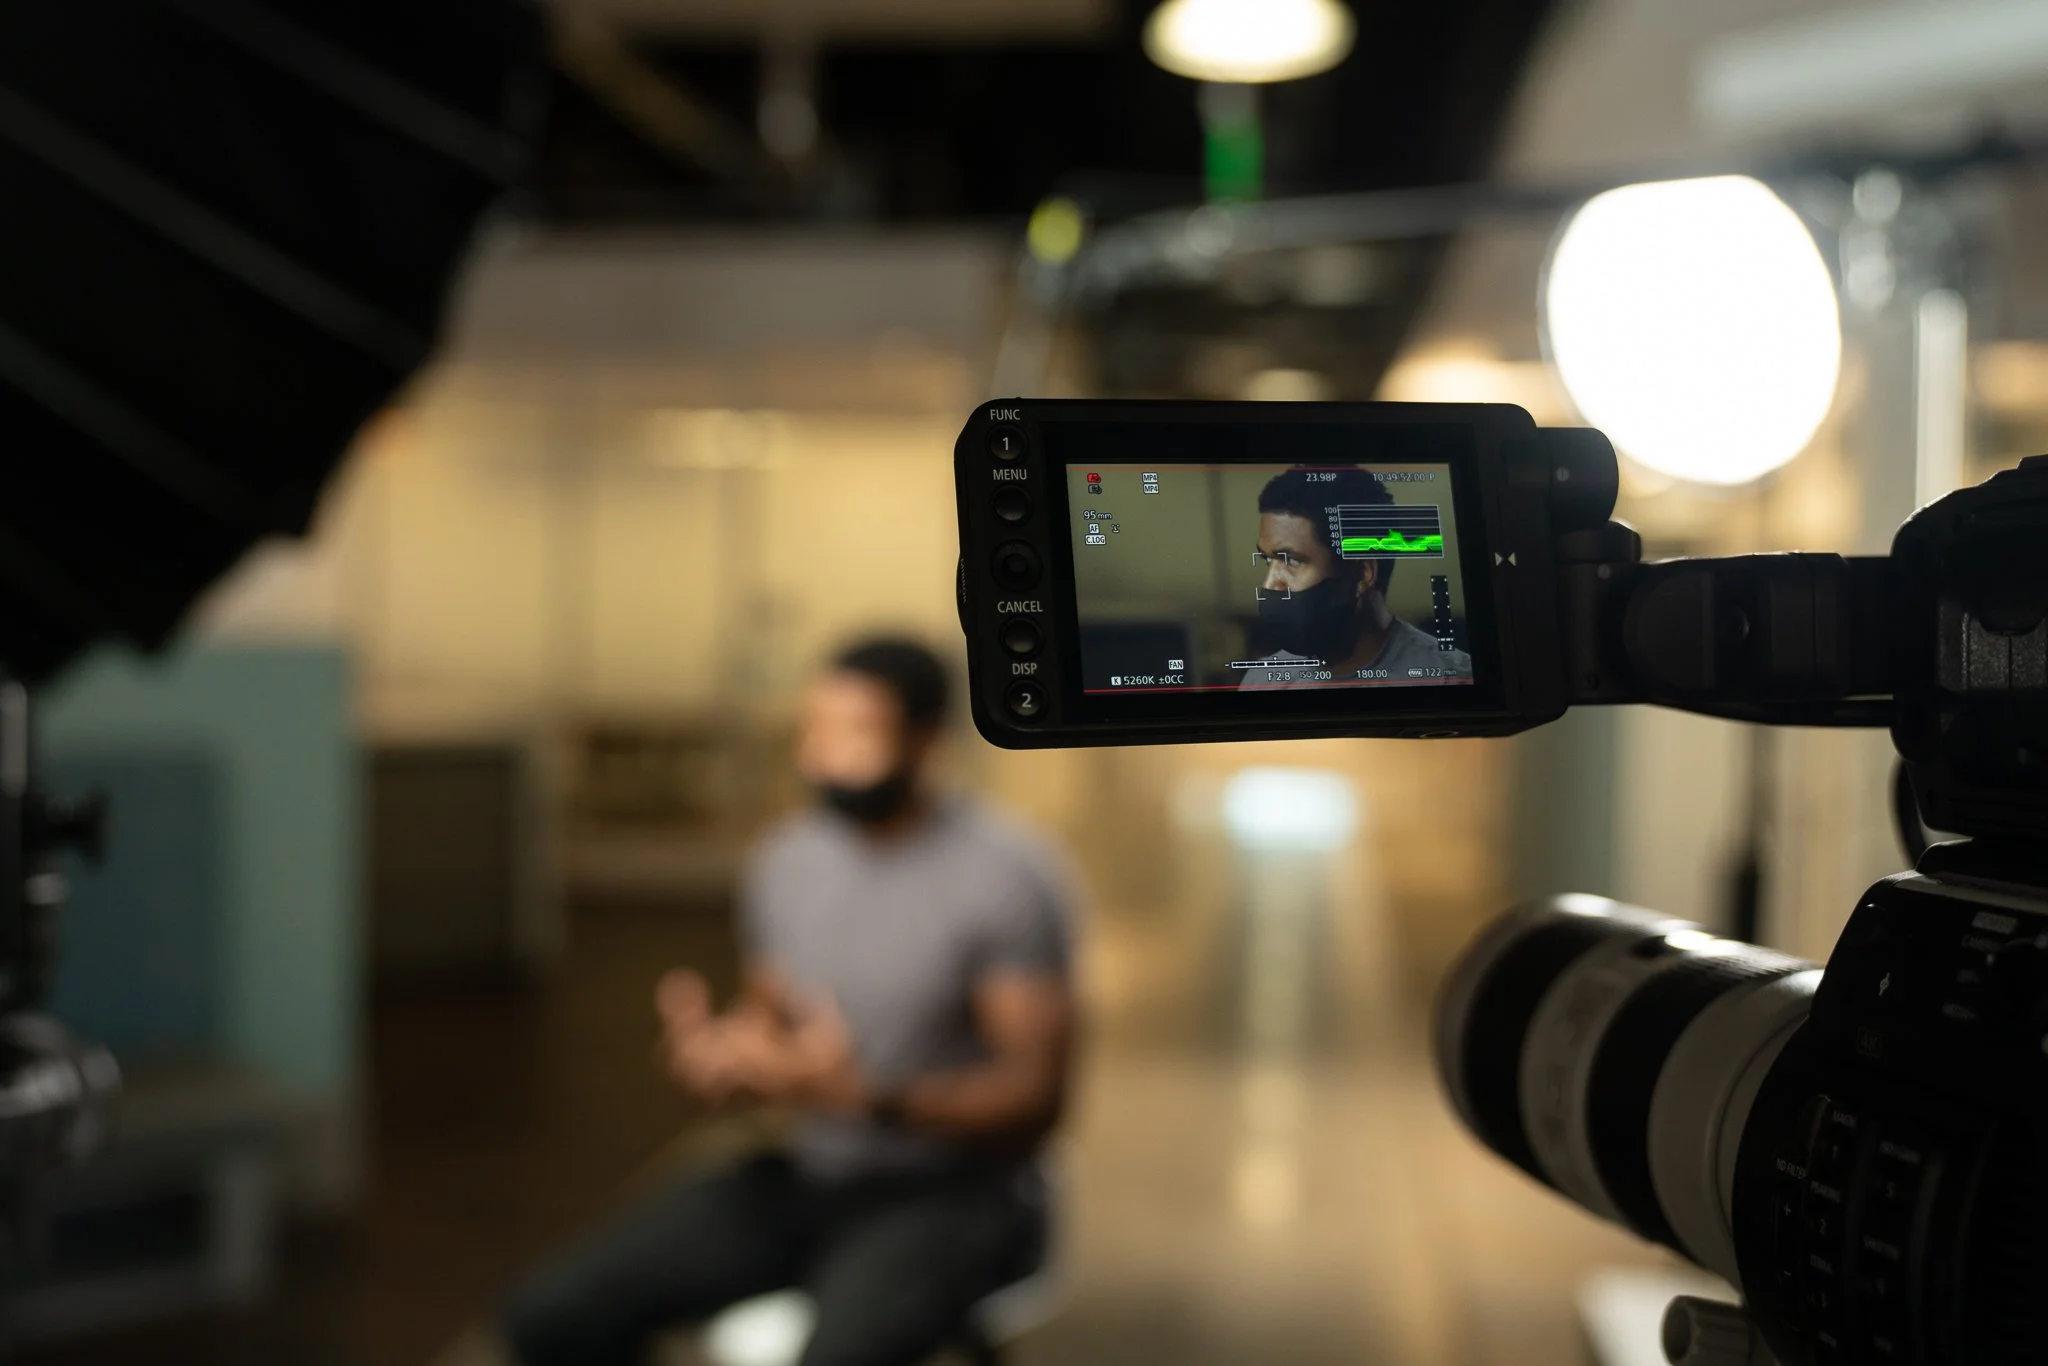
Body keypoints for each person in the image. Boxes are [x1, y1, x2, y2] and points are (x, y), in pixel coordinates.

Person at [503, 637, 1078, 1366]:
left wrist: (868, 1099)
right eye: (814, 730)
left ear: (925, 741)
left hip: (956, 1193)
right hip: (812, 1175)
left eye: (855, 732)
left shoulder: (1005, 876)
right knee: (551, 1316)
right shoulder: (789, 859)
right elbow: (773, 1023)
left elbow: (1035, 1098)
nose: (822, 756)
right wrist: (727, 1057)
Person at [1240, 465, 1474, 688]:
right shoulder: (1261, 681)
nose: (1269, 584)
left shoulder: (1453, 678)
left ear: (1363, 572)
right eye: (1268, 560)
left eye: (1291, 560)